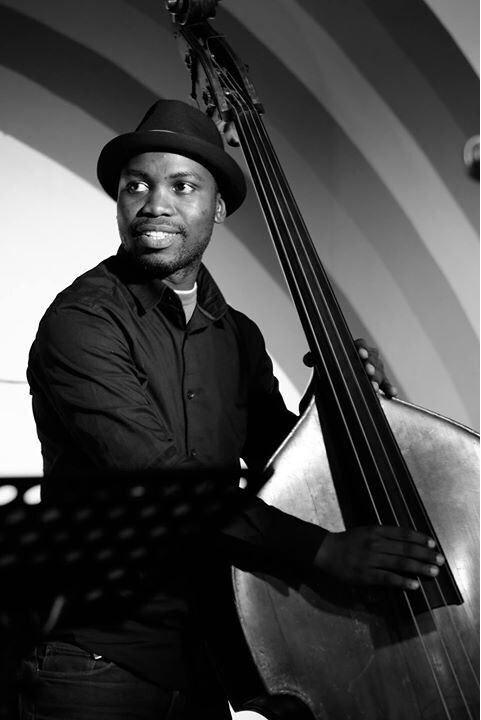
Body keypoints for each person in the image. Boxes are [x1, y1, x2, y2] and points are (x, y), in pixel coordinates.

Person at [21, 99, 444, 720]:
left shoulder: (238, 334)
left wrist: (334, 397)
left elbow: (280, 464)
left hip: (206, 657)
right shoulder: (82, 322)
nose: (154, 204)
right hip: (98, 662)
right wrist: (324, 552)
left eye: (182, 186)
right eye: (136, 186)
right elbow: (163, 480)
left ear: (218, 207)